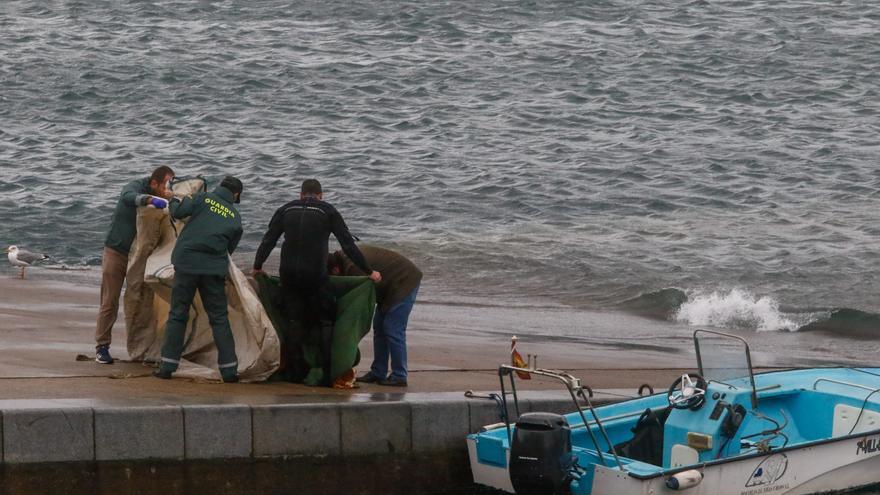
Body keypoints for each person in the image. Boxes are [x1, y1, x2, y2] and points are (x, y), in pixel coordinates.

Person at [252, 179, 381, 384]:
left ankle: (295, 372)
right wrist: (369, 271)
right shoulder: (327, 211)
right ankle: (328, 370)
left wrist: (258, 266)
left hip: (288, 274)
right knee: (324, 320)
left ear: (300, 194)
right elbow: (348, 245)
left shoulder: (286, 209)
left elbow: (268, 240)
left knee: (294, 321)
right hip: (315, 275)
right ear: (321, 195)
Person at [153, 176, 244, 382]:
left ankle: (167, 367)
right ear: (236, 195)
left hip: (187, 263)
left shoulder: (203, 198)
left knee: (178, 314)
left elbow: (177, 212)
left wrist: (173, 198)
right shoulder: (235, 217)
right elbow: (229, 250)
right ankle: (229, 371)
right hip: (213, 270)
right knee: (219, 318)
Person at [95, 166, 175, 364]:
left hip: (139, 257)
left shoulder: (165, 196)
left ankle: (142, 348)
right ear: (154, 183)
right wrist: (149, 200)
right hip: (117, 251)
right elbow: (128, 196)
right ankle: (102, 347)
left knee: (141, 300)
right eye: (165, 185)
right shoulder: (135, 186)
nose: (167, 189)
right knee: (109, 301)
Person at [328, 246, 421, 387]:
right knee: (379, 327)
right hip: (389, 285)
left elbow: (360, 300)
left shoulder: (353, 268)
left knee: (393, 329)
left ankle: (399, 375)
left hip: (405, 280)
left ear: (335, 270)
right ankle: (378, 371)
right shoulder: (345, 257)